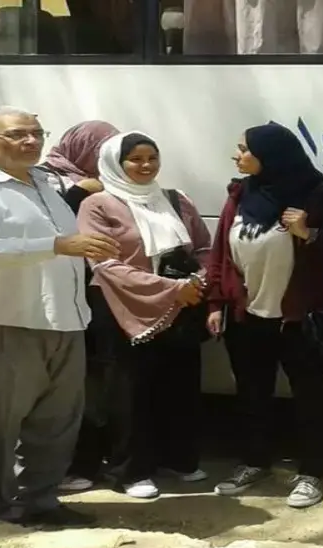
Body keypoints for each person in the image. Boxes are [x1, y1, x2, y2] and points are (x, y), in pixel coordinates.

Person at [0, 106, 120, 527]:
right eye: (17, 134)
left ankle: (41, 501)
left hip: (62, 318)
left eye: (36, 133)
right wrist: (56, 245)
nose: (31, 141)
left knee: (57, 420)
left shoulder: (45, 185)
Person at [206, 122, 323, 508]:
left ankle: (313, 472)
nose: (237, 156)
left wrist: (307, 234)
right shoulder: (240, 194)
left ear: (271, 154)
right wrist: (216, 302)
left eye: (244, 149)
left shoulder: (320, 197)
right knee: (252, 393)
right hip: (246, 315)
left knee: (308, 397)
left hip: (298, 318)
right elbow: (220, 253)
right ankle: (255, 462)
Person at [76, 132, 211, 499]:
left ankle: (179, 459)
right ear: (115, 164)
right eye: (135, 159)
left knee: (179, 385)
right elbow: (104, 264)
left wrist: (197, 280)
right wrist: (169, 288)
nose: (146, 165)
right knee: (128, 390)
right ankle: (131, 471)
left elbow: (203, 247)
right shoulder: (97, 205)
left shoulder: (176, 200)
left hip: (181, 304)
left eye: (152, 157)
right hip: (121, 305)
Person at [38, 119, 121, 494]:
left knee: (98, 383)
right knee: (63, 386)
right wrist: (77, 195)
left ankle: (94, 459)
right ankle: (65, 465)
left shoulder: (111, 182)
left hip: (96, 298)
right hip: (52, 297)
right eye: (99, 149)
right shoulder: (43, 180)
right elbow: (42, 234)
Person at [39, 120, 120, 213]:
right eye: (101, 151)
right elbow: (48, 217)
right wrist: (78, 192)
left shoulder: (112, 177)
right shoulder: (41, 178)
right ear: (81, 147)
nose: (109, 158)